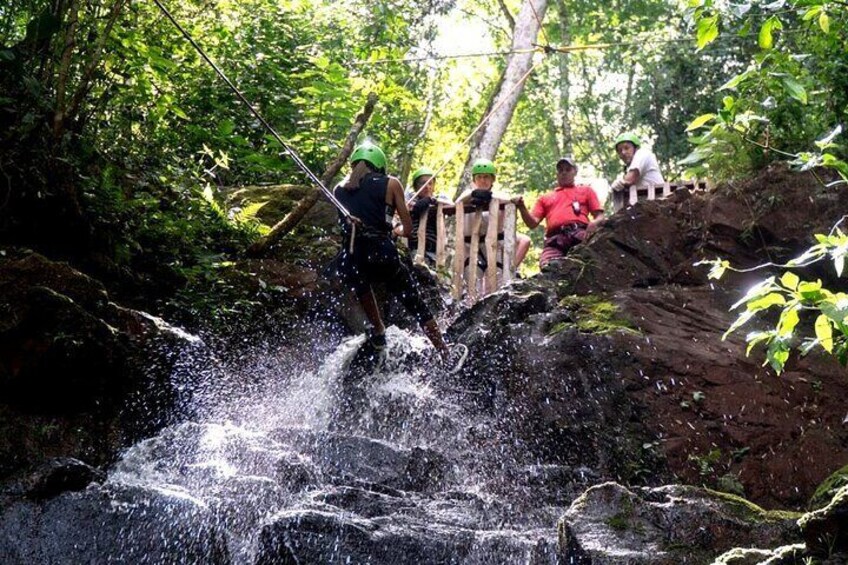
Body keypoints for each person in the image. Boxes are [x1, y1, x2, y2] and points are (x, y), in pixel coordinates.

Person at [333, 143, 464, 369]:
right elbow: (408, 227)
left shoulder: (338, 189)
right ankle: (445, 353)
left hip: (352, 256)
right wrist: (394, 230)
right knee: (414, 302)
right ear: (380, 166)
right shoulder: (391, 183)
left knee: (362, 284)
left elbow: (344, 227)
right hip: (381, 253)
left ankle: (379, 331)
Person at [516, 156, 605, 268]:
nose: (564, 173)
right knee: (548, 268)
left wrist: (594, 223)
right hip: (555, 239)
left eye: (568, 170)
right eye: (561, 170)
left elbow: (600, 216)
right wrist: (522, 207)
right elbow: (532, 223)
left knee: (591, 261)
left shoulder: (586, 191)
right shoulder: (545, 198)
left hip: (579, 233)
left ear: (575, 172)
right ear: (557, 174)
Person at [454, 159, 532, 279]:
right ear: (474, 180)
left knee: (498, 281)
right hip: (471, 248)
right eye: (479, 177)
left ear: (492, 179)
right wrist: (474, 194)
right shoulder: (467, 196)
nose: (482, 180)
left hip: (495, 247)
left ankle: (511, 270)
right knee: (472, 283)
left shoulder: (500, 197)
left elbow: (509, 200)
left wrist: (490, 197)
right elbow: (457, 203)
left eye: (486, 177)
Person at [407, 166, 445, 264]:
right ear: (416, 187)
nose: (427, 187)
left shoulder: (438, 200)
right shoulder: (410, 201)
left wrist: (432, 202)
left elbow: (452, 204)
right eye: (423, 183)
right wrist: (416, 208)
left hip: (433, 252)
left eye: (430, 183)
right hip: (414, 250)